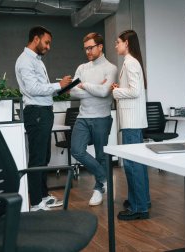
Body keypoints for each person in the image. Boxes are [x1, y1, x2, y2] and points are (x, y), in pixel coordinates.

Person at [15, 26, 72, 211]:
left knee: (44, 157)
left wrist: (61, 88)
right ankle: (36, 203)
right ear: (36, 39)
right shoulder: (25, 61)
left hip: (44, 111)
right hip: (36, 112)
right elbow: (32, 89)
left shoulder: (37, 60)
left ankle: (44, 196)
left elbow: (41, 89)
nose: (48, 47)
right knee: (37, 158)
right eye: (46, 42)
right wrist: (57, 85)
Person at [70, 32, 117, 206]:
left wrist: (85, 85)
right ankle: (104, 177)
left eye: (91, 47)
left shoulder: (110, 68)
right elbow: (72, 91)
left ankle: (98, 189)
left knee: (100, 155)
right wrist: (94, 88)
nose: (88, 51)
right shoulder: (82, 68)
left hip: (101, 118)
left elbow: (105, 93)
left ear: (100, 46)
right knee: (76, 150)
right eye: (86, 48)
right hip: (83, 117)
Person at [111, 30, 151, 220]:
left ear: (126, 43)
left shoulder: (130, 63)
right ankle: (142, 200)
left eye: (118, 42)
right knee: (138, 164)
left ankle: (139, 207)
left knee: (132, 165)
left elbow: (134, 91)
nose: (116, 45)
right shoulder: (132, 62)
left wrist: (117, 92)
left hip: (131, 122)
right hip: (133, 121)